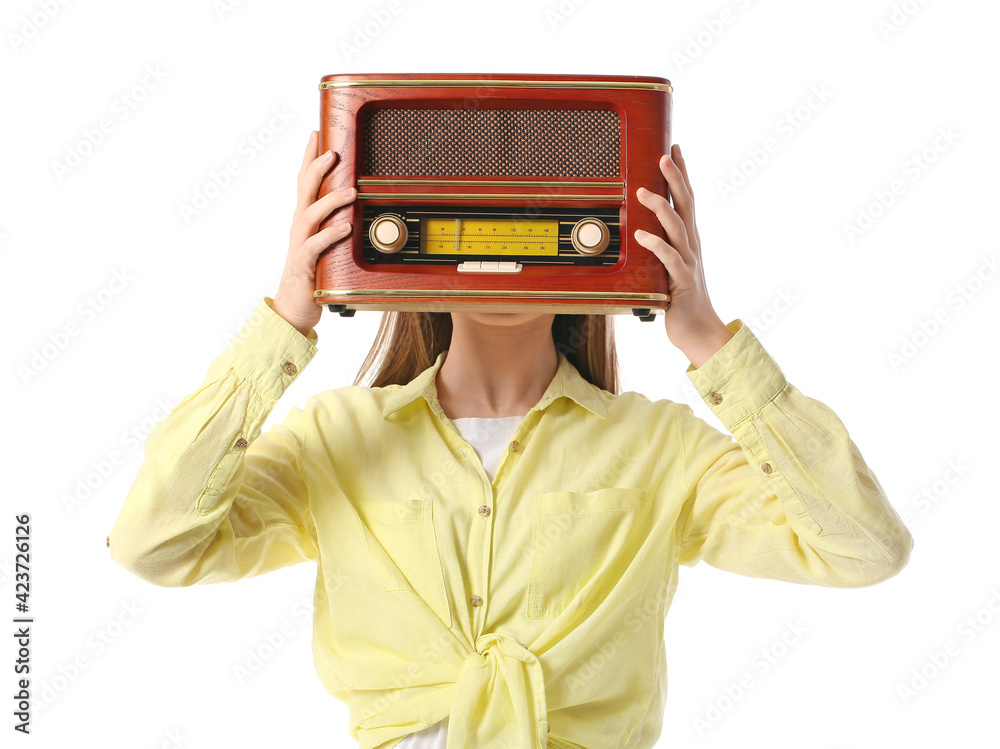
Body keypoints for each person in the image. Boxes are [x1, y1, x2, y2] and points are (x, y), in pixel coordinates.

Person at [108, 130, 914, 749]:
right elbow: (154, 544)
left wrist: (707, 337)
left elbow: (866, 548)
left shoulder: (663, 448)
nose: (498, 245)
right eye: (468, 219)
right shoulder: (333, 439)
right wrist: (285, 320)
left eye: (534, 220)